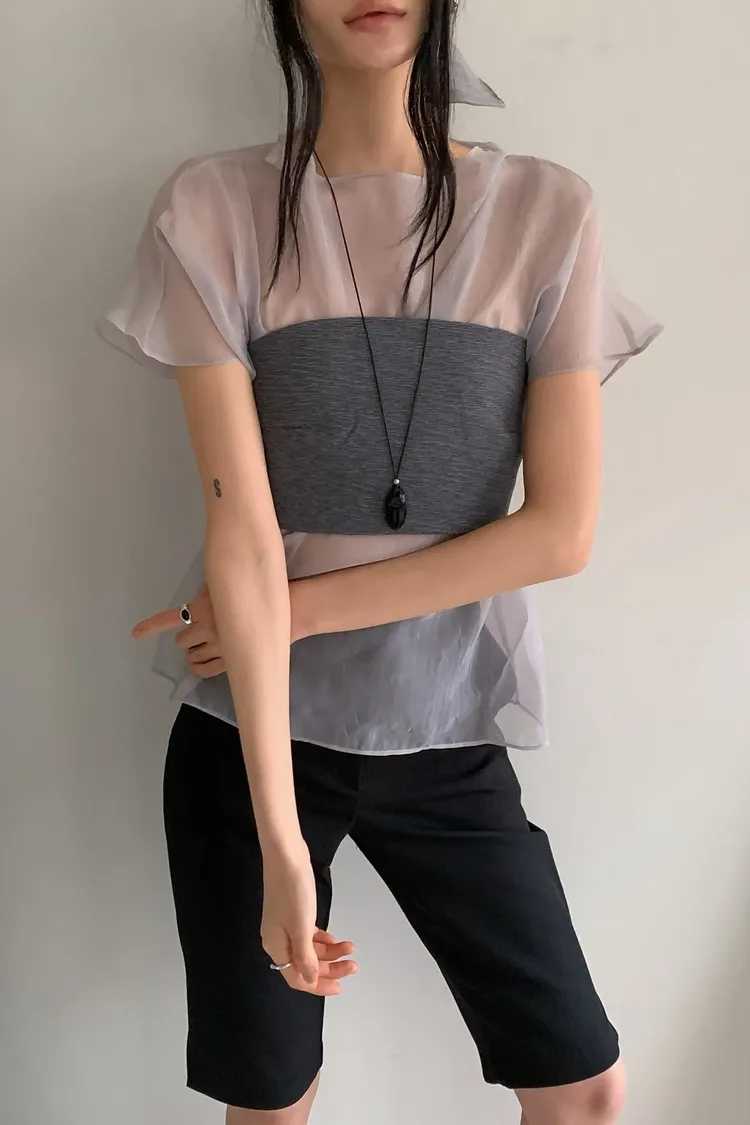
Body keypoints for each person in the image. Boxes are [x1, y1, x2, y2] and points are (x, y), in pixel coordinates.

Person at [98, 2, 661, 1123]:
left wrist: (293, 612)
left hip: (444, 724)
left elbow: (559, 531)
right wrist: (280, 845)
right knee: (272, 1100)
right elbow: (240, 530)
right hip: (251, 737)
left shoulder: (545, 210)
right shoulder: (216, 206)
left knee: (583, 1088)